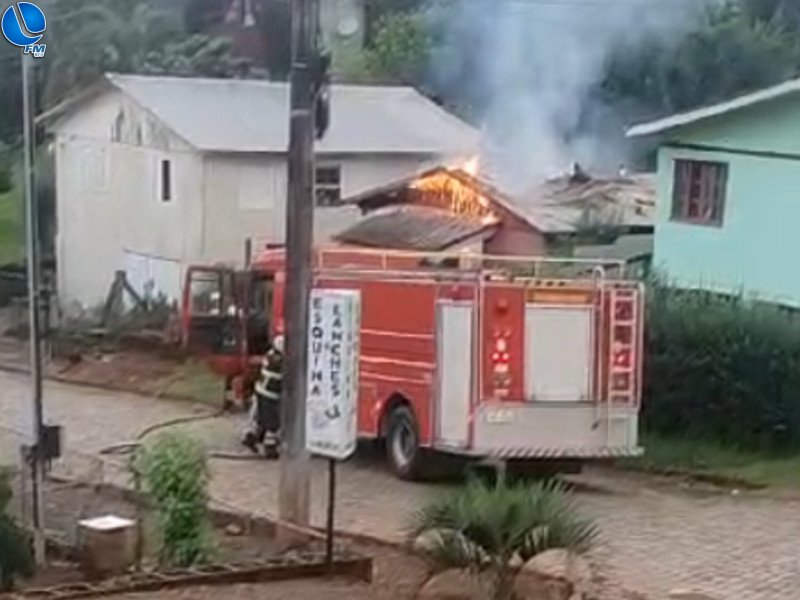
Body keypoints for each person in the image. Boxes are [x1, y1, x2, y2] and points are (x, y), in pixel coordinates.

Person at [242, 335, 284, 458]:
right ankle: (270, 448)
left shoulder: (270, 355)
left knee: (259, 417)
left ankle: (251, 436)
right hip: (271, 394)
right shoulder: (279, 361)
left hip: (260, 390)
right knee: (273, 422)